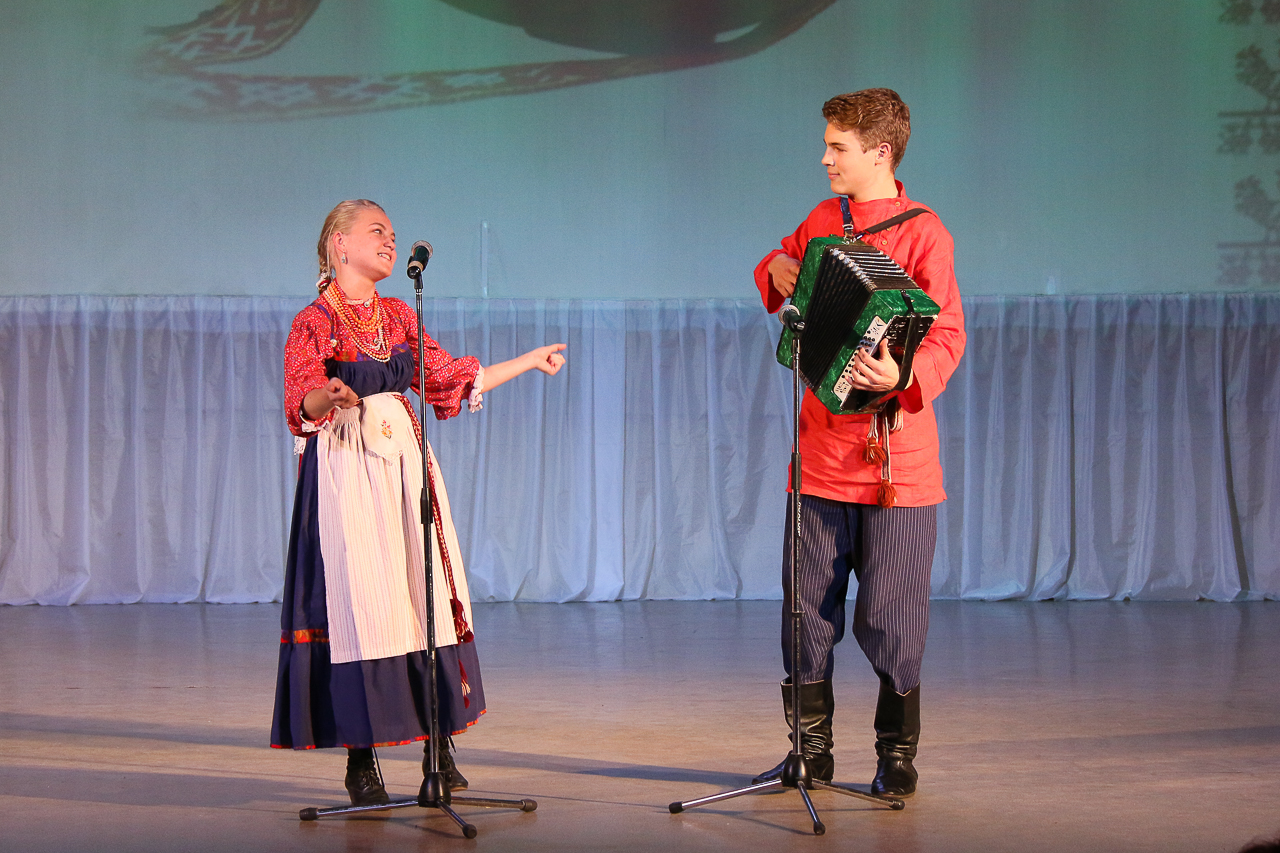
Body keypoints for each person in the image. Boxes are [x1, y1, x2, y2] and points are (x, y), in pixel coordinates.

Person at [271, 199, 566, 807]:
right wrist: (329, 395)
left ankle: (439, 744)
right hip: (347, 467)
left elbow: (450, 376)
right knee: (361, 604)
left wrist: (528, 361)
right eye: (376, 231)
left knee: (419, 591)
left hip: (405, 466)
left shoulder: (401, 315)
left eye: (393, 233)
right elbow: (300, 403)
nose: (389, 240)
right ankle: (361, 759)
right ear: (338, 244)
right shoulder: (313, 322)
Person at [751, 89, 965, 797]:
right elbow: (782, 264)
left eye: (837, 146)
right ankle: (809, 752)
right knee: (805, 613)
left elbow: (948, 334)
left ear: (880, 152)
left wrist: (904, 374)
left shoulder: (925, 231)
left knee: (893, 617)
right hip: (819, 460)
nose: (825, 158)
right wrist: (775, 268)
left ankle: (896, 754)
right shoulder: (823, 221)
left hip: (895, 465)